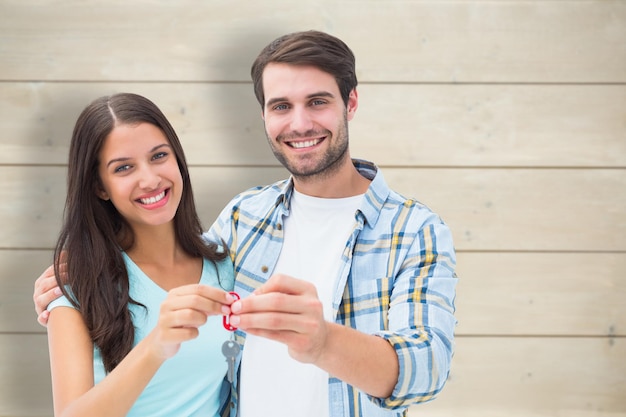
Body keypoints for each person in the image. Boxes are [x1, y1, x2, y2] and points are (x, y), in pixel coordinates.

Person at [34, 31, 458, 417]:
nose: (299, 123)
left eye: (318, 101)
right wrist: (67, 280)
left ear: (350, 103)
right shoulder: (244, 217)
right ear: (265, 116)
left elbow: (427, 368)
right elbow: (163, 259)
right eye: (281, 106)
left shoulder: (413, 229)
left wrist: (323, 341)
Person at [39, 93, 236, 417]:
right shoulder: (75, 287)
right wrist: (156, 345)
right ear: (100, 187)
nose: (149, 179)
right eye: (124, 168)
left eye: (159, 156)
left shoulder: (223, 265)